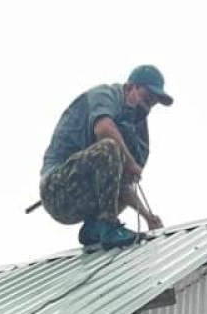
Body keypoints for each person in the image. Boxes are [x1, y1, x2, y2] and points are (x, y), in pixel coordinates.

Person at [39, 65, 173, 250]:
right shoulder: (105, 95)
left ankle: (94, 229)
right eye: (146, 97)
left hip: (81, 197)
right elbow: (103, 130)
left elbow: (121, 183)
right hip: (56, 190)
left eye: (152, 102)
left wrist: (147, 216)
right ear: (129, 87)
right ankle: (108, 225)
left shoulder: (134, 126)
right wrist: (131, 162)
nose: (148, 105)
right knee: (110, 146)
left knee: (121, 168)